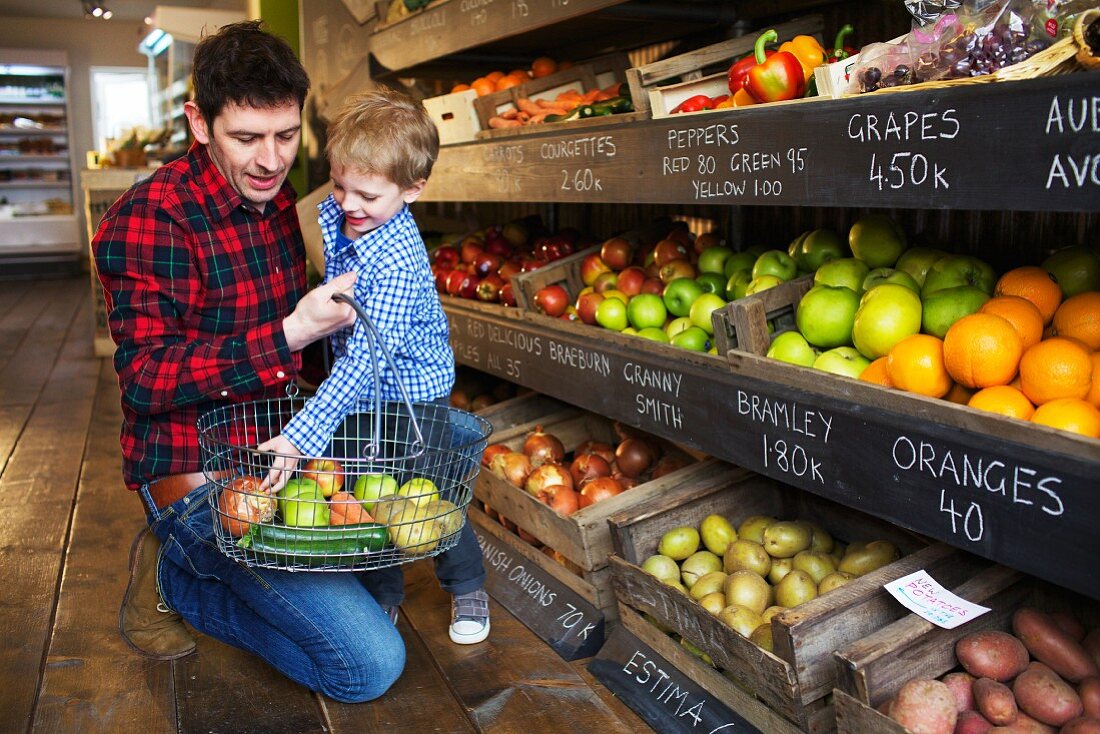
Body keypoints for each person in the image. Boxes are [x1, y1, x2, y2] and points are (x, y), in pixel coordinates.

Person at [93, 21, 405, 702]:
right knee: (368, 666)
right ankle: (176, 577)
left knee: (388, 576)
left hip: (276, 451)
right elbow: (146, 380)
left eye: (286, 136)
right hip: (193, 470)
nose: (271, 160)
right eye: (246, 138)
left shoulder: (276, 200)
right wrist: (290, 333)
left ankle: (237, 572)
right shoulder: (151, 220)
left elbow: (301, 352)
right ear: (199, 123)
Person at [258, 86, 490, 645]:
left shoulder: (395, 260)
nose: (347, 204)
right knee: (362, 494)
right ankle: (383, 596)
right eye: (339, 186)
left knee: (422, 495)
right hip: (363, 394)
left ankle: (468, 585)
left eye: (366, 194)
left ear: (413, 190)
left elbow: (363, 361)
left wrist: (299, 435)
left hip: (409, 394)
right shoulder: (352, 218)